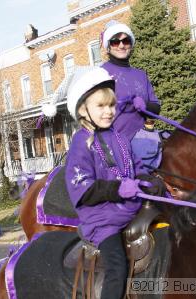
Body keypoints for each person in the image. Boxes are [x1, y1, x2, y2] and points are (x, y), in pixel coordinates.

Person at [64, 67, 165, 299]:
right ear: (83, 109)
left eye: (111, 105)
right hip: (102, 219)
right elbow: (83, 187)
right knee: (117, 267)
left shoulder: (119, 137)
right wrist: (117, 189)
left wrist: (147, 180)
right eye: (101, 106)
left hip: (130, 208)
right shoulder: (82, 142)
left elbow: (135, 166)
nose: (109, 112)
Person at [100, 21, 161, 143]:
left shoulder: (141, 75)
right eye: (115, 42)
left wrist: (145, 104)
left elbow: (156, 109)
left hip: (144, 142)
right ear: (108, 47)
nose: (121, 46)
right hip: (114, 145)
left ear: (131, 45)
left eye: (126, 41)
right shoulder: (101, 74)